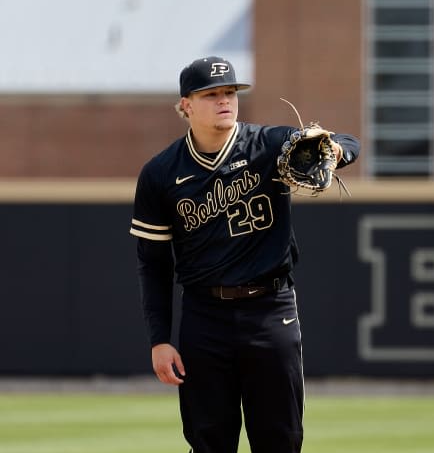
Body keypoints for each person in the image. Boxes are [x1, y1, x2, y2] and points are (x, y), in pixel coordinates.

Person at [129, 56, 360, 453]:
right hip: (204, 318)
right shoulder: (161, 173)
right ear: (186, 105)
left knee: (281, 440)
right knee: (208, 441)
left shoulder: (269, 145)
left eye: (231, 92)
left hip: (270, 311)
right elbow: (153, 265)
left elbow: (350, 143)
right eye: (212, 94)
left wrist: (335, 151)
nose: (225, 100)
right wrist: (159, 339)